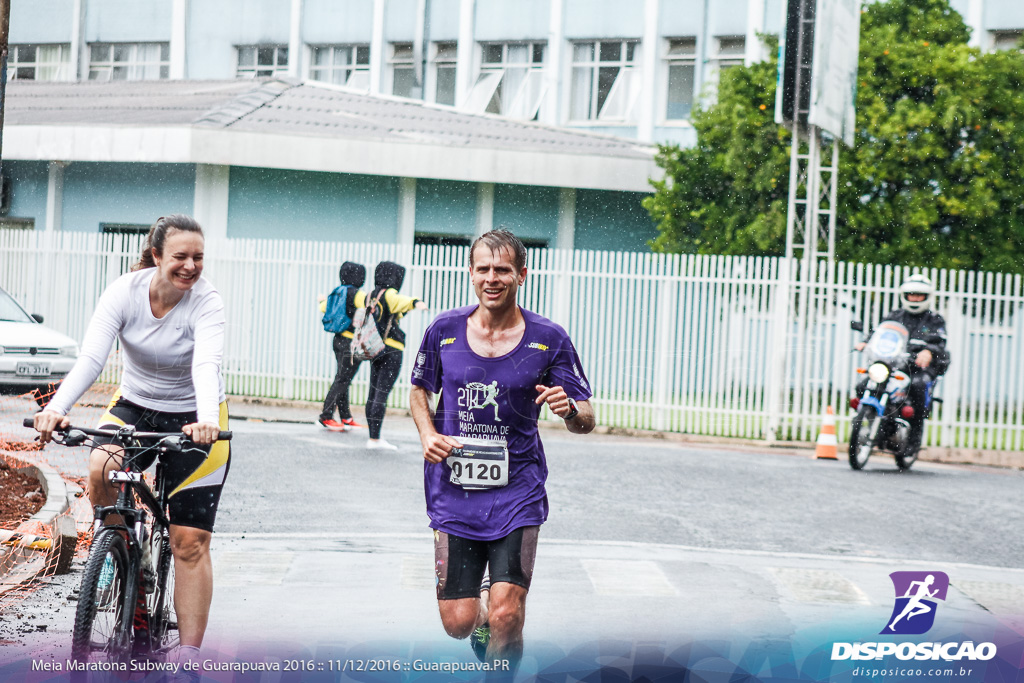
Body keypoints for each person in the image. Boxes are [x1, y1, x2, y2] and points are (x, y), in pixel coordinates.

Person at [31, 214, 229, 679]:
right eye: (180, 256)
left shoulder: (207, 301)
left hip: (197, 417)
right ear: (156, 256)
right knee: (101, 468)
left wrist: (203, 421)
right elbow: (92, 358)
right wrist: (55, 408)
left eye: (198, 257)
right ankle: (121, 551)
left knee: (189, 541)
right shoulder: (124, 291)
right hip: (136, 404)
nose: (190, 266)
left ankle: (189, 659)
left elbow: (207, 364)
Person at [409, 229, 595, 677]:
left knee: (508, 613)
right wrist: (427, 433)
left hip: (518, 492)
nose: (493, 278)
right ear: (471, 273)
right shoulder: (444, 330)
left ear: (522, 275)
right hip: (454, 494)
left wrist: (569, 410)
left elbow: (587, 417)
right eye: (484, 269)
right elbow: (418, 389)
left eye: (503, 270)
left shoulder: (549, 337)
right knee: (458, 622)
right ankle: (483, 623)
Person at [855, 274, 950, 451]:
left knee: (918, 387)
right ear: (904, 295)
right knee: (863, 384)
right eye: (911, 294)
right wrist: (866, 341)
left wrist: (928, 351)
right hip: (893, 363)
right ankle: (869, 418)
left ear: (927, 297)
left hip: (917, 367)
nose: (914, 298)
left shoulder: (935, 319)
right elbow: (880, 332)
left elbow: (939, 340)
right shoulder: (895, 315)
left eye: (919, 295)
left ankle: (914, 438)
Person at [363, 261, 427, 450]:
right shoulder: (390, 294)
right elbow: (401, 301)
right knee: (381, 393)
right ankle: (375, 440)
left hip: (374, 348)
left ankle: (372, 436)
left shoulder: (370, 296)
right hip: (391, 349)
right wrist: (416, 302)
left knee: (373, 392)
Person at [317, 261, 367, 431]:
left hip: (338, 340)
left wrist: (322, 301)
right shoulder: (358, 294)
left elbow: (323, 307)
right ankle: (326, 416)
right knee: (343, 379)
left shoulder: (337, 292)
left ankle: (346, 417)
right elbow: (371, 308)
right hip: (351, 343)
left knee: (343, 378)